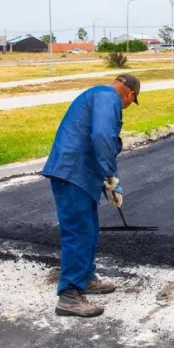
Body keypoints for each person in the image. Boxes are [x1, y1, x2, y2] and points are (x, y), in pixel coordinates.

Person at [41, 73, 140, 317]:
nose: (128, 105)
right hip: (72, 172)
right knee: (78, 232)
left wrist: (112, 183)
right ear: (130, 94)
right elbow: (102, 137)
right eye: (131, 101)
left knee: (90, 229)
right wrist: (109, 175)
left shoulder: (99, 95)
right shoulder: (108, 97)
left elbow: (102, 142)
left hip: (81, 174)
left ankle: (85, 278)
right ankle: (69, 295)